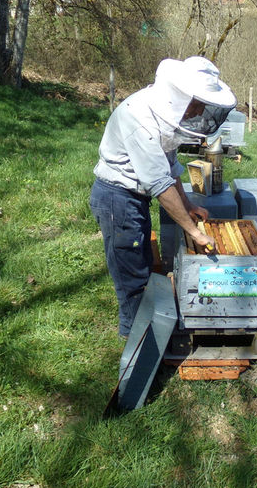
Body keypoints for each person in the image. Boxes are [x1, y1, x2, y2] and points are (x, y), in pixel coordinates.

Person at [90, 56, 237, 339]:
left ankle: (143, 330)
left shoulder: (162, 114)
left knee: (140, 261)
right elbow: (159, 184)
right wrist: (193, 230)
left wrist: (189, 205)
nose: (198, 110)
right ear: (179, 95)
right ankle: (136, 345)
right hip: (117, 199)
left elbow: (169, 172)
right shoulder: (140, 119)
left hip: (131, 196)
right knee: (131, 272)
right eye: (196, 103)